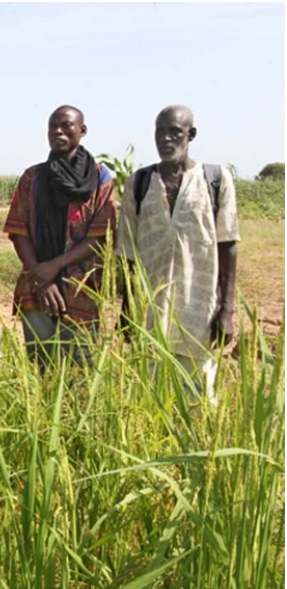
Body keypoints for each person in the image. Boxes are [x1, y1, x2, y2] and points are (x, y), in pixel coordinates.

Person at [116, 105, 239, 402]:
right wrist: (126, 308)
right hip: (150, 312)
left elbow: (229, 244)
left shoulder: (216, 179)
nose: (166, 139)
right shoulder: (139, 182)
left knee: (198, 402)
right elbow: (126, 252)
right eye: (160, 132)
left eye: (175, 132)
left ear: (191, 135)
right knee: (148, 402)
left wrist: (226, 309)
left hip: (198, 311)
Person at [4, 105, 117, 371]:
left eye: (66, 125)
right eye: (52, 126)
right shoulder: (33, 178)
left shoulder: (99, 178)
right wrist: (42, 280)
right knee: (42, 368)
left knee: (81, 372)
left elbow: (101, 236)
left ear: (82, 130)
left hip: (81, 290)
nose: (58, 131)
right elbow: (18, 232)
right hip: (36, 287)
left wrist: (55, 266)